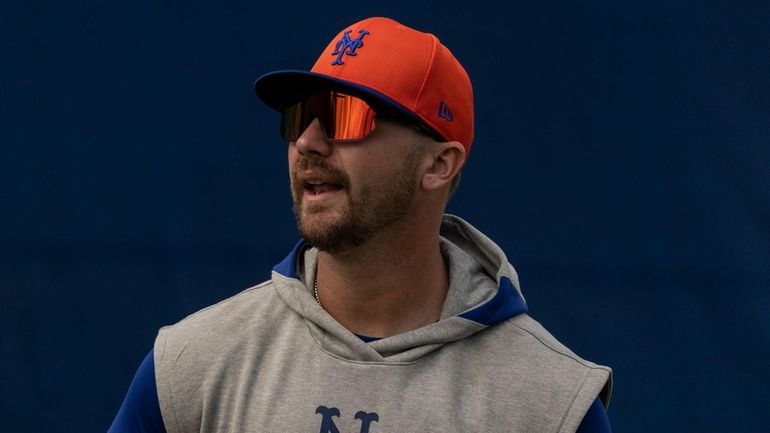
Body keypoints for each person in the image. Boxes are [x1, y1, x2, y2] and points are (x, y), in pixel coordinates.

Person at [109, 17, 612, 433]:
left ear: (439, 165)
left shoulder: (549, 403)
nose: (307, 142)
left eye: (345, 117)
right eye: (300, 115)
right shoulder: (193, 365)